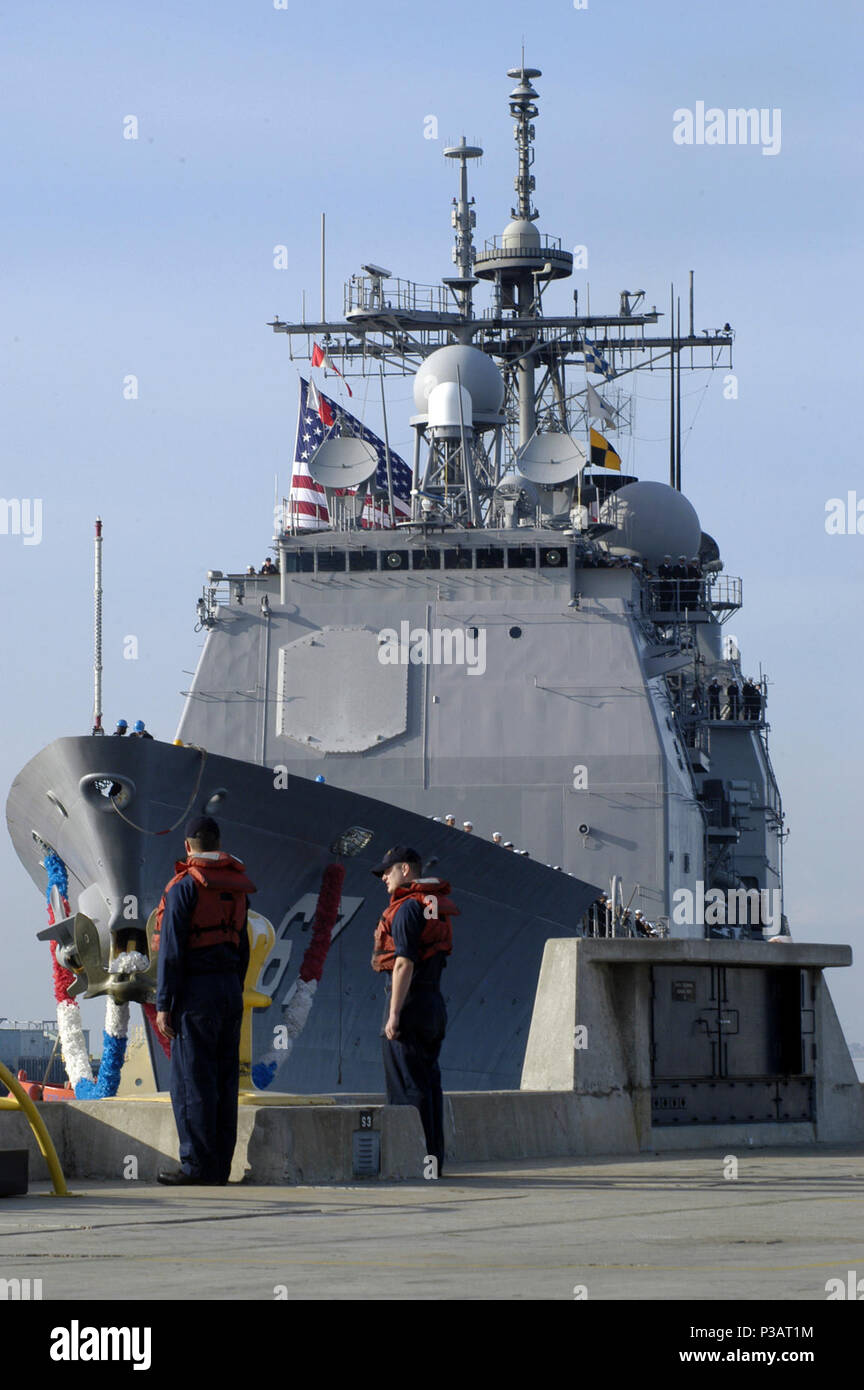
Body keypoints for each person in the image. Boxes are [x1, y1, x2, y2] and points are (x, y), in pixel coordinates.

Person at [154, 815, 255, 1186]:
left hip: (196, 995)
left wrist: (164, 1003)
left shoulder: (184, 887)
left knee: (193, 1082)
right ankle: (219, 1169)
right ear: (217, 843)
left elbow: (171, 951)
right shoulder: (238, 888)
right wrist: (233, 988)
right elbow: (242, 946)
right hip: (230, 991)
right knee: (225, 1082)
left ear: (188, 847)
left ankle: (195, 1167)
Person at [371, 846, 457, 1179]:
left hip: (409, 1005)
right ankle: (432, 1162)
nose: (383, 877)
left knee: (405, 1088)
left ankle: (413, 1162)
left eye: (387, 870)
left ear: (406, 870)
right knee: (428, 1085)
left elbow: (404, 961)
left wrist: (394, 1015)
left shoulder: (406, 909)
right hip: (433, 1004)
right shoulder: (433, 908)